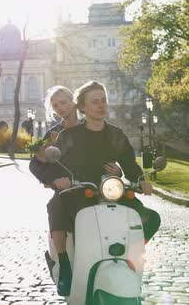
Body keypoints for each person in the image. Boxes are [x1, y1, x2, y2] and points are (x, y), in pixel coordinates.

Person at [49, 81, 161, 296]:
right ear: (82, 107)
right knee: (56, 205)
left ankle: (131, 254)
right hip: (79, 192)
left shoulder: (116, 135)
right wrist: (60, 181)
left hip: (111, 192)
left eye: (103, 101)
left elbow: (129, 164)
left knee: (151, 219)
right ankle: (64, 264)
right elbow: (56, 164)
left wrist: (140, 180)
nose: (101, 106)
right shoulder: (70, 136)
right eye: (95, 102)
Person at [28, 85, 122, 296]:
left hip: (97, 189)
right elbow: (35, 164)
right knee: (55, 204)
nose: (60, 107)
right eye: (55, 105)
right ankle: (64, 264)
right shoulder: (53, 134)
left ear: (74, 102)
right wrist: (54, 181)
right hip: (68, 191)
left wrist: (117, 170)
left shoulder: (92, 127)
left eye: (64, 102)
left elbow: (108, 156)